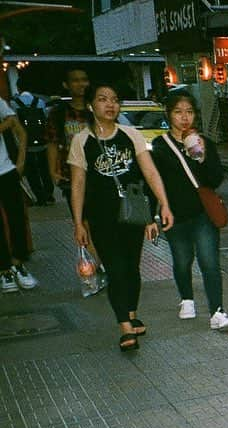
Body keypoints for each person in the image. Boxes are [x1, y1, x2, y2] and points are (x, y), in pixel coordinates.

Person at [68, 83, 174, 352]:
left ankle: (130, 313)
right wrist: (79, 222)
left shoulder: (130, 135)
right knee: (115, 270)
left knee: (131, 268)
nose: (110, 104)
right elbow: (78, 184)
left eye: (114, 99)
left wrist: (163, 205)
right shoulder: (82, 141)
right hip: (101, 216)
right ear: (91, 105)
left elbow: (149, 172)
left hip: (133, 211)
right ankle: (125, 328)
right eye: (103, 99)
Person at [149, 90, 228, 331]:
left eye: (189, 112)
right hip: (175, 215)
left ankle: (217, 312)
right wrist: (152, 217)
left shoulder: (205, 142)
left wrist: (201, 156)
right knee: (182, 260)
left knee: (209, 262)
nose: (184, 117)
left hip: (202, 214)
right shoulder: (160, 146)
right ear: (169, 115)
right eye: (178, 112)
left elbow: (215, 179)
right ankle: (187, 298)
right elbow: (153, 183)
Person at [47, 65, 108, 295]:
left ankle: (104, 265)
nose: (80, 84)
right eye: (75, 80)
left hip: (99, 174)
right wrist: (53, 170)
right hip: (72, 177)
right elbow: (52, 143)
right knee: (83, 223)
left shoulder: (97, 111)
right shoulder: (59, 113)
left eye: (84, 80)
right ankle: (100, 268)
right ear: (66, 85)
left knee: (103, 223)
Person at [0, 99, 33, 293]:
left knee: (17, 218)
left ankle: (18, 262)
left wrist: (20, 162)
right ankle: (4, 269)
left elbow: (14, 123)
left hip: (5, 169)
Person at [13, 90, 54, 206]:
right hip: (42, 142)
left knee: (31, 171)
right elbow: (45, 117)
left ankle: (40, 197)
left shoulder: (14, 103)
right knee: (44, 168)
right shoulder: (40, 102)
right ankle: (49, 194)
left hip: (25, 144)